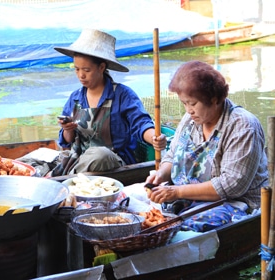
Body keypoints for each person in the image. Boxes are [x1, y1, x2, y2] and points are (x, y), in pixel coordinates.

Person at [145, 60, 268, 232]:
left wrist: (177, 192)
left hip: (236, 203)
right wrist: (161, 175)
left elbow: (231, 186)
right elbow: (172, 155)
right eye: (184, 103)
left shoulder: (243, 126)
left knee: (185, 226)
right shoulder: (191, 119)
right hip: (190, 195)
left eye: (193, 104)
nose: (188, 110)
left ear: (214, 99)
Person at [51, 28, 167, 176]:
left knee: (100, 155)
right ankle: (67, 175)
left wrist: (154, 138)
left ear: (101, 67)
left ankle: (65, 178)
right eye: (77, 69)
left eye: (86, 70)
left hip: (114, 162)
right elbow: (66, 142)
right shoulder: (75, 98)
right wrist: (67, 129)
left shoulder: (123, 95)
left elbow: (141, 123)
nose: (81, 75)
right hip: (80, 161)